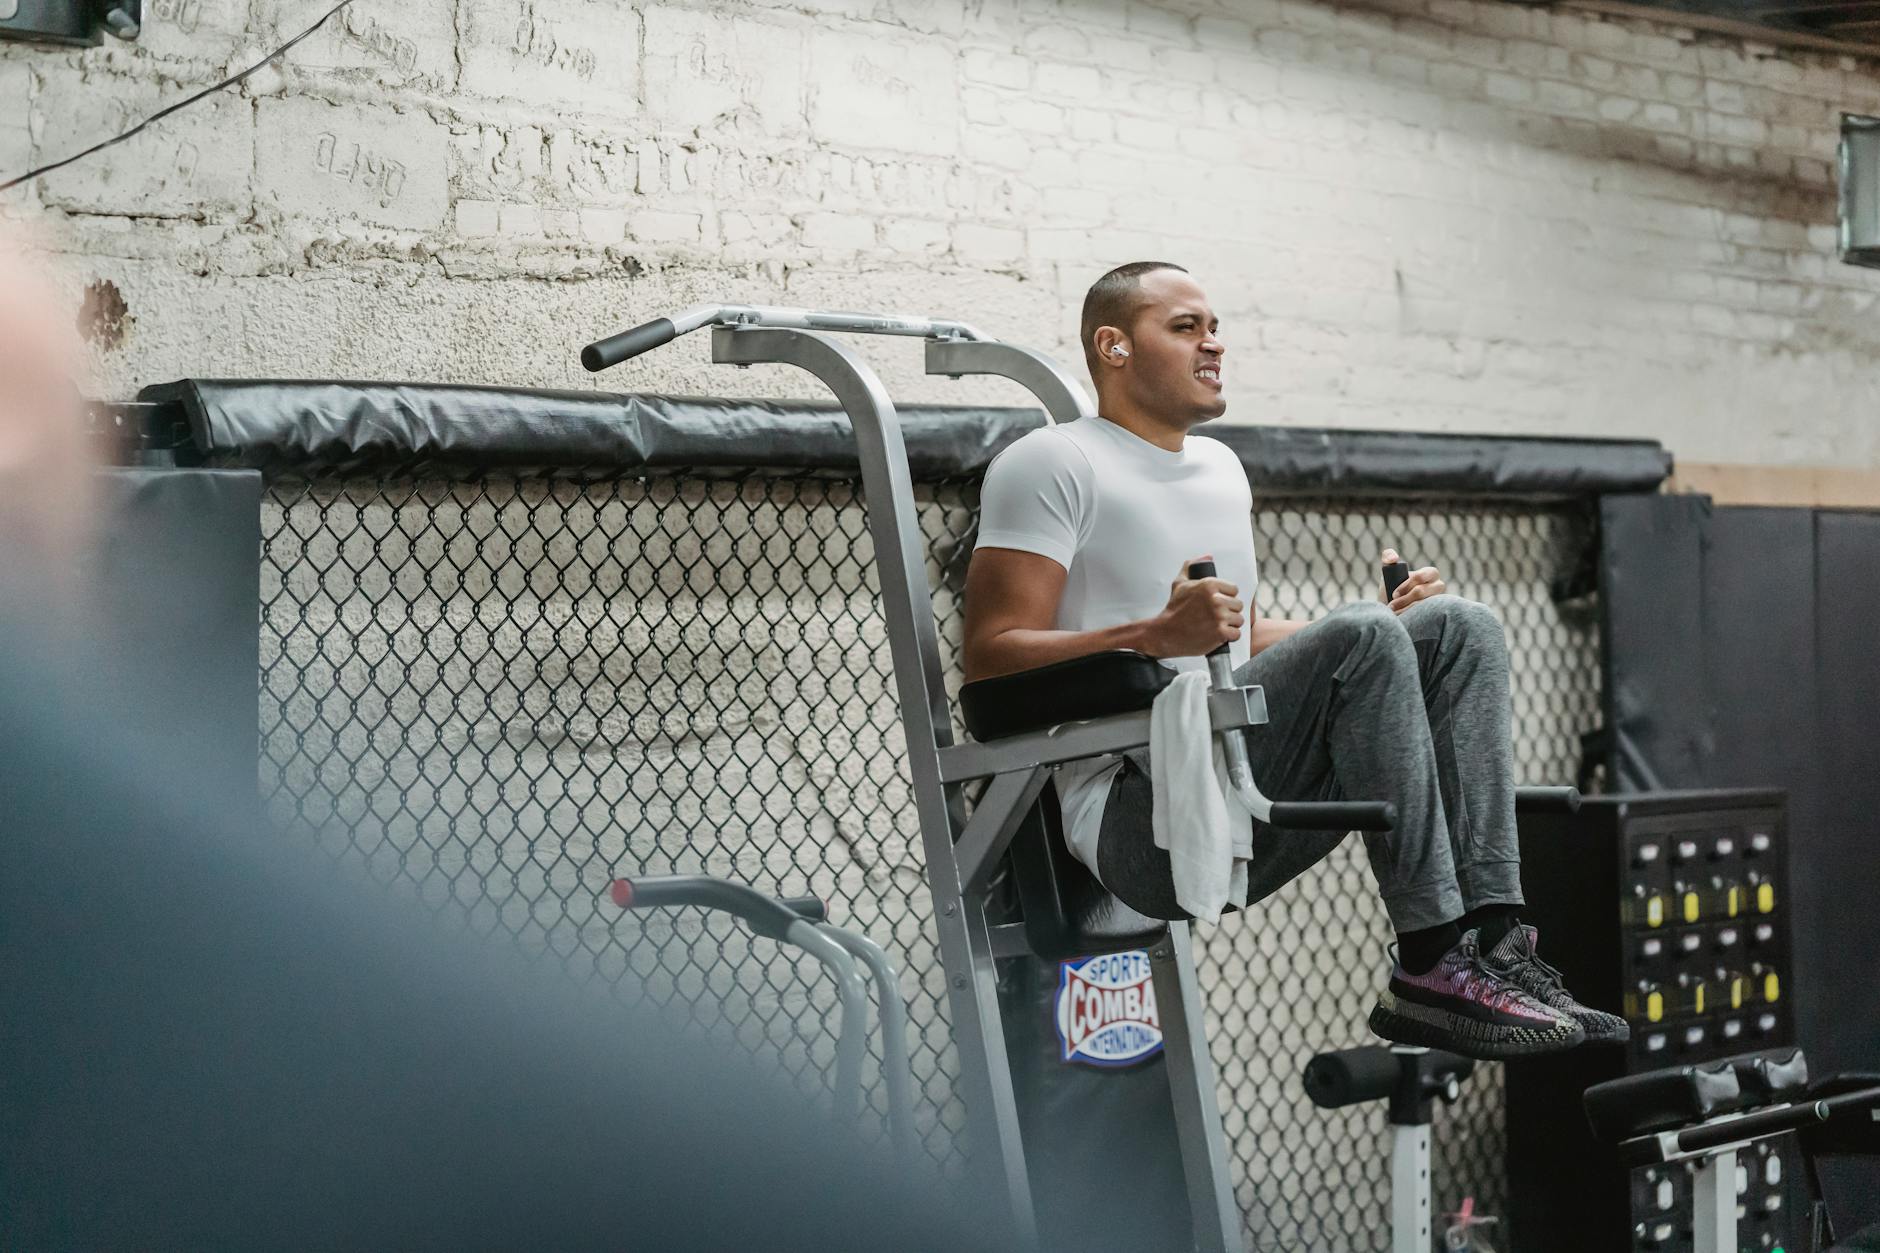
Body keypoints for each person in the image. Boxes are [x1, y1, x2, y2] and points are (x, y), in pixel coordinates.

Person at [960, 261, 1625, 1060]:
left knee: (1458, 624)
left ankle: (1493, 944)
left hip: (1244, 779)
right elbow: (991, 661)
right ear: (1114, 346)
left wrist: (1386, 634)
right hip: (1140, 818)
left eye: (1215, 327)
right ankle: (1429, 960)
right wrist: (1154, 633)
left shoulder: (1220, 468)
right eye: (1185, 327)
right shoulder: (1051, 462)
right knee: (1363, 634)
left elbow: (1232, 642)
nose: (1214, 343)